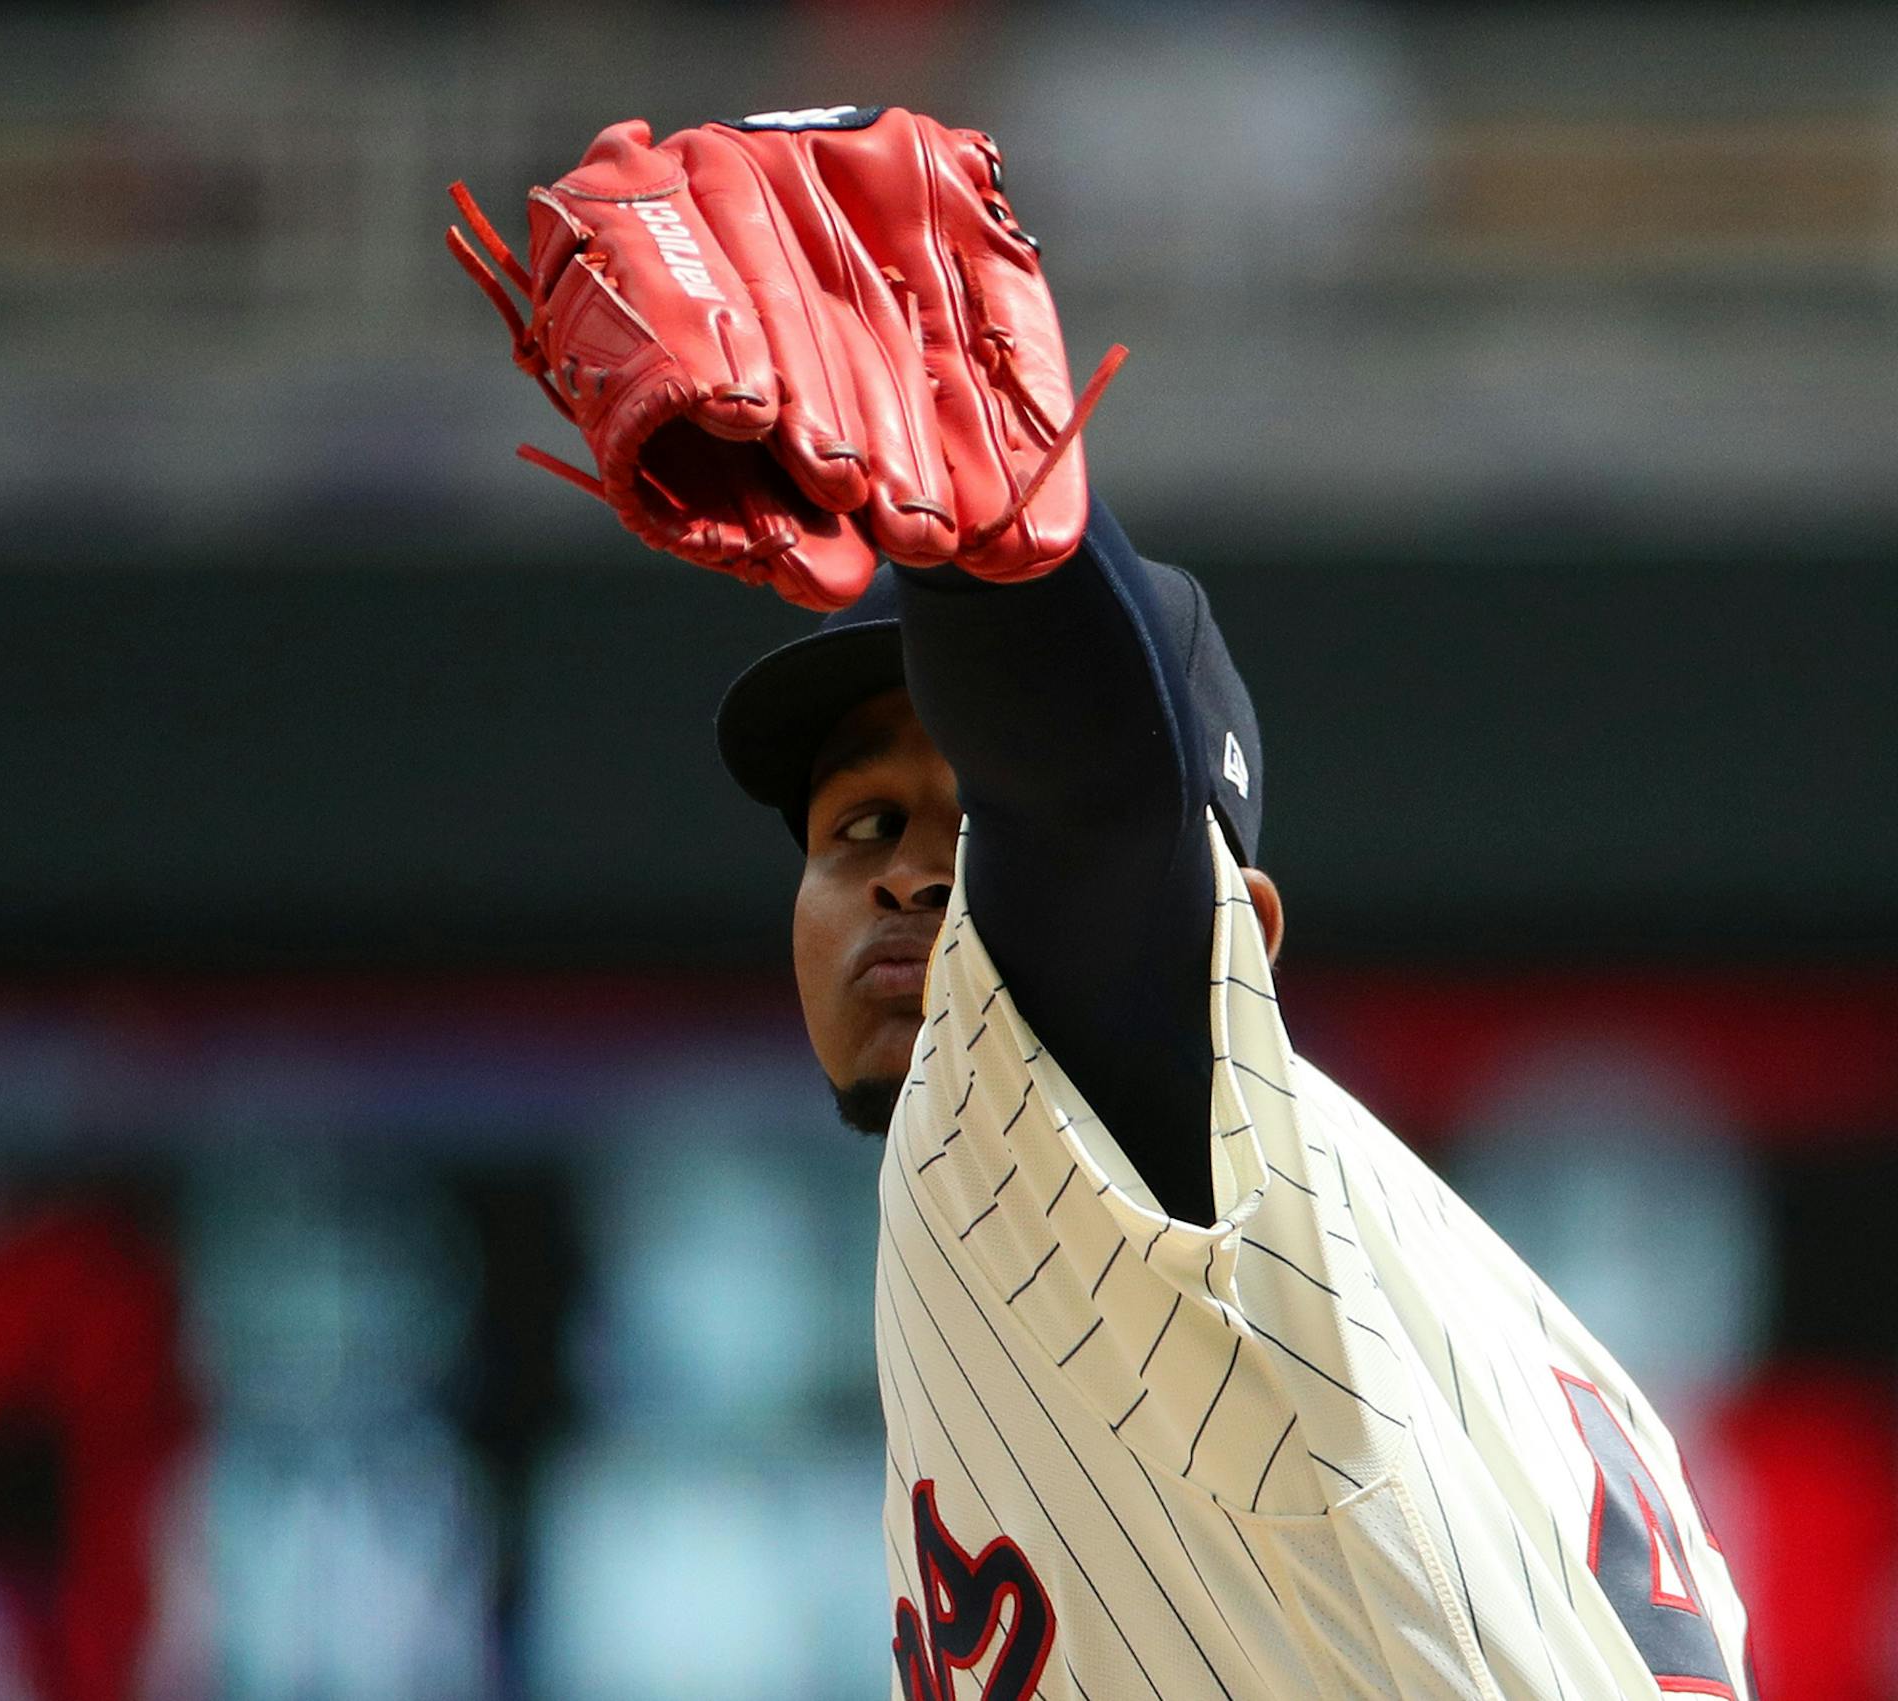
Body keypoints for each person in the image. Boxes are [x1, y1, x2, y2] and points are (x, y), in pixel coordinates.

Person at [452, 106, 1756, 1701]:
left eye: (970, 823)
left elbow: (1094, 802)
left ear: (1239, 950)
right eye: (857, 824)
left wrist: (1006, 552)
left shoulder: (1027, 1114)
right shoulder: (1455, 1310)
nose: (917, 873)